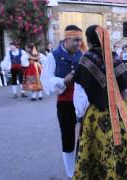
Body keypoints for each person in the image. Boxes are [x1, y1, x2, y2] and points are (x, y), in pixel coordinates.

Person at [71, 25, 127, 179]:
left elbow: (80, 98)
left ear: (89, 40)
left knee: (97, 153)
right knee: (124, 151)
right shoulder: (115, 58)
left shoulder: (85, 60)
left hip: (96, 118)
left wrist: (81, 118)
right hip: (121, 114)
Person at [40, 25, 85, 178]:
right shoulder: (53, 56)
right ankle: (71, 173)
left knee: (85, 136)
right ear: (66, 39)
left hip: (83, 103)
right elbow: (45, 80)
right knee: (68, 138)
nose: (79, 43)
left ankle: (83, 166)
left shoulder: (82, 54)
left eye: (80, 40)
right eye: (76, 40)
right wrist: (63, 81)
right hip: (65, 102)